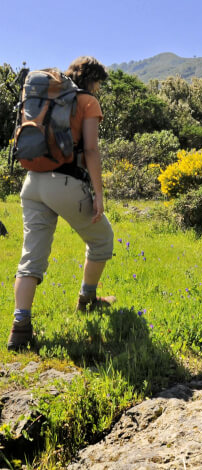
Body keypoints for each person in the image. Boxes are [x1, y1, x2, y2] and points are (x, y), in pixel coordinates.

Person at [8, 56, 115, 351]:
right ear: (92, 80)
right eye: (98, 84)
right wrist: (98, 195)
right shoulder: (87, 102)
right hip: (64, 182)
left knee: (31, 257)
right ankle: (87, 300)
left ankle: (20, 328)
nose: (98, 89)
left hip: (32, 183)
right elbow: (91, 151)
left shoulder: (47, 98)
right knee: (102, 239)